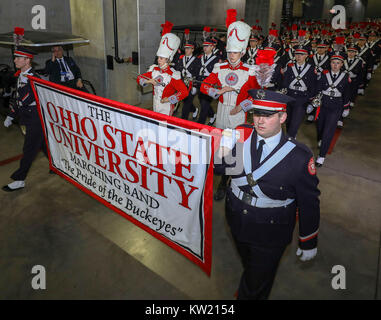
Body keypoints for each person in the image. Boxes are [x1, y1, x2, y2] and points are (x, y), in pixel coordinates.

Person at [214, 89, 320, 300]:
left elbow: (309, 202)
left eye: (268, 115)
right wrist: (222, 149)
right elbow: (220, 169)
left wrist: (308, 239)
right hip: (236, 218)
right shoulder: (241, 136)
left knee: (256, 285)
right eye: (256, 114)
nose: (260, 121)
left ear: (282, 117)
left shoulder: (299, 156)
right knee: (251, 266)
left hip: (271, 229)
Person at [200, 12, 260, 201]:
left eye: (235, 52)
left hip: (238, 113)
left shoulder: (249, 71)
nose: (232, 56)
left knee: (235, 149)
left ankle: (225, 183)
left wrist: (242, 106)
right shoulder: (219, 68)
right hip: (222, 111)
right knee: (221, 147)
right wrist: (216, 92)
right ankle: (220, 175)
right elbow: (204, 86)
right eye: (229, 52)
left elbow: (257, 95)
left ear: (242, 52)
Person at [2, 47, 49, 192]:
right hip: (27, 116)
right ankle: (58, 165)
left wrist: (13, 113)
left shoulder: (33, 78)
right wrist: (11, 114)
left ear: (27, 60)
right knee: (42, 144)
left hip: (35, 118)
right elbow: (17, 99)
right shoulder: (21, 75)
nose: (15, 60)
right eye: (15, 57)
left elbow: (24, 100)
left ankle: (19, 179)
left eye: (18, 58)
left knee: (29, 148)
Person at [137, 31, 188, 116]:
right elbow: (139, 77)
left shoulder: (173, 75)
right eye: (158, 58)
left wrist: (169, 99)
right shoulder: (154, 70)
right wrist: (148, 81)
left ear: (168, 60)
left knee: (164, 127)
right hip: (155, 103)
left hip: (166, 106)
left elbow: (184, 92)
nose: (158, 60)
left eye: (161, 58)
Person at [314, 55, 351, 167]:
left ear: (341, 64)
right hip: (323, 104)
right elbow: (318, 88)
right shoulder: (325, 74)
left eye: (338, 63)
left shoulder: (345, 76)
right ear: (330, 63)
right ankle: (321, 138)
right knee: (320, 126)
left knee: (329, 130)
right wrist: (314, 102)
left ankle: (321, 156)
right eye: (333, 63)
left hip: (336, 106)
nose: (335, 65)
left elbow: (347, 93)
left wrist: (346, 107)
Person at [281, 45, 317, 138]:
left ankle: (290, 138)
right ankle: (291, 135)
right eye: (296, 54)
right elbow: (285, 82)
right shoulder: (290, 67)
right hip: (289, 96)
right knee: (288, 121)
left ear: (306, 55)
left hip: (302, 98)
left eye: (301, 54)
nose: (298, 56)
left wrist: (310, 101)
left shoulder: (311, 69)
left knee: (295, 121)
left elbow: (313, 86)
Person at [195, 37, 220, 125]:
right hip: (199, 83)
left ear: (212, 47)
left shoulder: (217, 59)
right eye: (204, 46)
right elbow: (196, 71)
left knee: (204, 105)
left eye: (207, 46)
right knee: (202, 102)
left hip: (209, 85)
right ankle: (212, 115)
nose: (205, 48)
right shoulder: (199, 58)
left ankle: (199, 125)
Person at [174, 40, 201, 120]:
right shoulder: (181, 59)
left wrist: (195, 86)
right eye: (186, 48)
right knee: (185, 101)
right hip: (182, 84)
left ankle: (183, 123)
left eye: (189, 48)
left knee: (185, 106)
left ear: (193, 49)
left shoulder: (197, 60)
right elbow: (178, 70)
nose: (186, 50)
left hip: (191, 84)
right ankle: (194, 109)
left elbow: (197, 74)